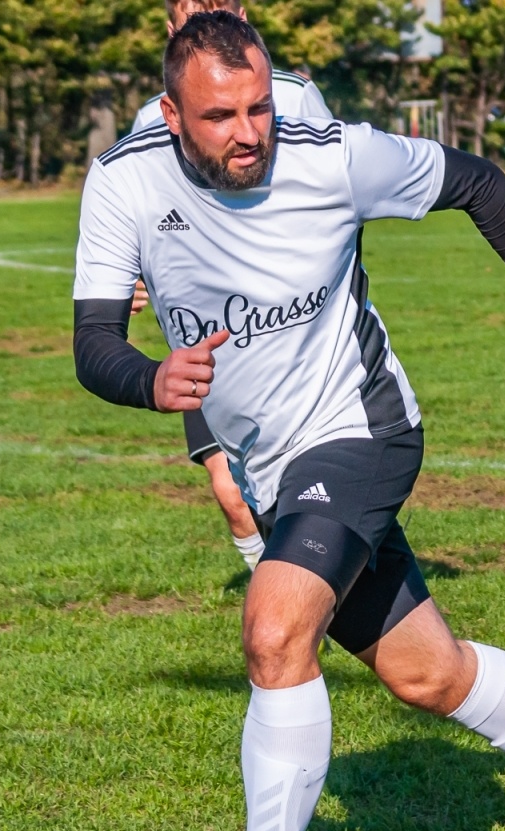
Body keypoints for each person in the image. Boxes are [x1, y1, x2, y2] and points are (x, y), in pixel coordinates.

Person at [72, 12, 505, 831]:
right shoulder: (124, 181)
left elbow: (475, 180)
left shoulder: (327, 151)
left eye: (258, 106)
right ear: (170, 116)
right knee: (429, 675)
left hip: (362, 430)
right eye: (220, 115)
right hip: (271, 467)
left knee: (275, 627)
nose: (248, 130)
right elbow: (94, 340)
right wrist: (150, 381)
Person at [129, 0, 334, 573]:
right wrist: (134, 279)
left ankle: (296, 607)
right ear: (171, 26)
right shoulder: (152, 121)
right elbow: (144, 221)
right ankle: (281, 603)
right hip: (210, 341)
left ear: (241, 14)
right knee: (232, 494)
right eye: (190, 7)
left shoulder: (294, 97)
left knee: (312, 491)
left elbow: (334, 195)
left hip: (294, 338)